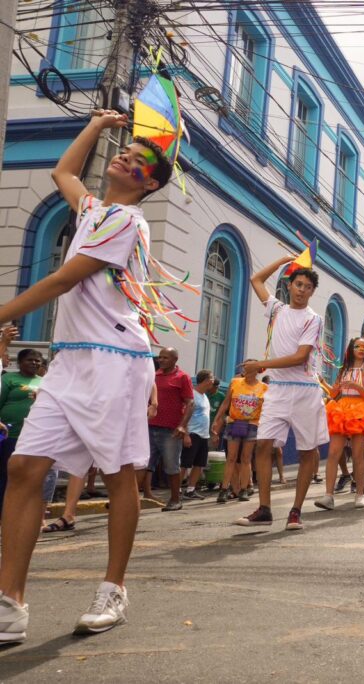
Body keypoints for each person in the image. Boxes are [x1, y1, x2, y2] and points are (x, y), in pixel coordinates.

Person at [0, 110, 175, 641]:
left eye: (137, 160)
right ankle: (10, 603)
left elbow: (60, 281)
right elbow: (64, 175)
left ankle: (113, 589)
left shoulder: (128, 221)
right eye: (124, 151)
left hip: (114, 362)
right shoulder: (95, 209)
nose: (124, 157)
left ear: (148, 184)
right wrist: (97, 126)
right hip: (70, 360)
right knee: (26, 469)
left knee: (120, 473)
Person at [234, 258, 329, 531]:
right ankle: (264, 509)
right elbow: (256, 280)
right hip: (277, 390)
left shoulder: (314, 319)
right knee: (262, 445)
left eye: (307, 287)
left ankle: (296, 511)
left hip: (305, 391)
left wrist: (261, 365)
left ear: (312, 292)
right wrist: (283, 261)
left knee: (307, 452)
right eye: (298, 284)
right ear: (289, 286)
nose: (301, 290)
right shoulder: (276, 309)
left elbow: (300, 357)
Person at [320, 337, 364, 510]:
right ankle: (328, 496)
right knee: (334, 453)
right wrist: (322, 383)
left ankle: (359, 494)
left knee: (358, 454)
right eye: (357, 346)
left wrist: (355, 385)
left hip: (361, 410)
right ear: (351, 349)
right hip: (341, 410)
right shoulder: (343, 369)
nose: (361, 349)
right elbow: (335, 393)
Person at [145, 347, 194, 512]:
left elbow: (190, 403)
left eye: (165, 357)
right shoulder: (153, 376)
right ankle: (144, 494)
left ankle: (175, 499)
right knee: (145, 464)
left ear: (175, 359)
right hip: (149, 426)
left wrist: (182, 425)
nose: (161, 360)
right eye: (160, 357)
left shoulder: (182, 377)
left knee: (172, 466)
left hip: (170, 430)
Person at [211, 362, 267, 503]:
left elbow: (267, 409)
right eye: (244, 368)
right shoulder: (235, 383)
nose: (245, 370)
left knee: (246, 458)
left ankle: (244, 489)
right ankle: (224, 489)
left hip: (252, 425)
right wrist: (216, 420)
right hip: (234, 423)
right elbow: (226, 403)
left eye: (248, 368)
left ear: (256, 370)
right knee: (231, 457)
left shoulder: (264, 388)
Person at [0, 349, 44, 516]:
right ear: (19, 362)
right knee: (5, 474)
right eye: (30, 360)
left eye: (37, 361)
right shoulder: (8, 379)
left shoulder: (46, 382)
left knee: (29, 477)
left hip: (34, 438)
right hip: (9, 436)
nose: (34, 363)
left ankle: (18, 513)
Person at [181, 370, 217, 500]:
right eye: (212, 378)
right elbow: (183, 415)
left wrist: (211, 431)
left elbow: (205, 416)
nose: (213, 382)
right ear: (206, 380)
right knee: (185, 464)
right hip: (192, 434)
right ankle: (177, 490)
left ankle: (190, 490)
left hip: (203, 435)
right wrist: (186, 434)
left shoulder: (205, 396)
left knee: (199, 464)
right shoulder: (192, 395)